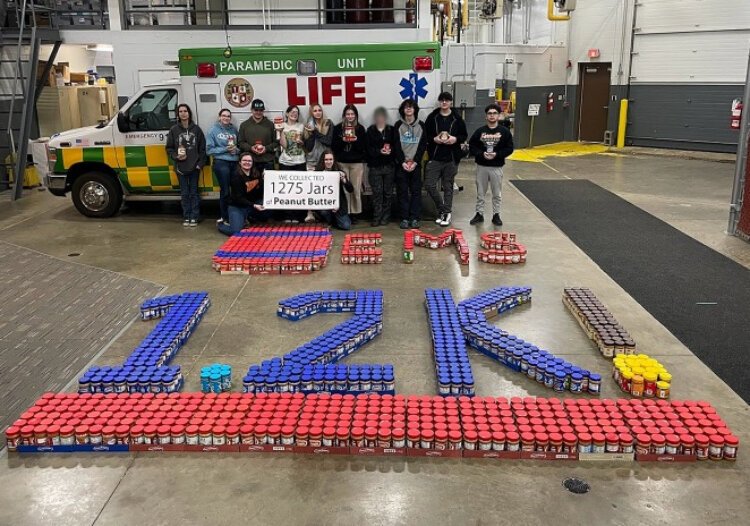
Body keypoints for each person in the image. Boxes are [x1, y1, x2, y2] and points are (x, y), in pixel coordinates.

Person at [423, 91, 467, 227]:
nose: (444, 102)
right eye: (442, 100)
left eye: (447, 100)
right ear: (439, 102)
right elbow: (426, 135)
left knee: (448, 186)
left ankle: (446, 213)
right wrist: (434, 139)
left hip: (451, 158)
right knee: (429, 185)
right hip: (435, 157)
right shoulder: (432, 118)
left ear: (451, 102)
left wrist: (455, 139)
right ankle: (443, 209)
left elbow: (463, 135)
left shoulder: (457, 118)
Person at [468, 103, 514, 226]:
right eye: (489, 113)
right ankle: (479, 214)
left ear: (499, 116)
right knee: (480, 192)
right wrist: (481, 154)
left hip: (496, 167)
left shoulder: (505, 132)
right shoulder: (480, 131)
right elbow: (472, 146)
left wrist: (497, 154)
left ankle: (496, 215)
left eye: (494, 113)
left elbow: (510, 148)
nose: (492, 116)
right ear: (486, 116)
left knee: (497, 193)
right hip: (482, 166)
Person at [165, 103, 206, 227]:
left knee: (194, 192)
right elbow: (169, 148)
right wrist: (176, 157)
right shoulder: (174, 130)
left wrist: (200, 165)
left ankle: (194, 216)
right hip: (180, 167)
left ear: (189, 113)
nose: (183, 113)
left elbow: (202, 149)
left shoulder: (197, 129)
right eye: (181, 111)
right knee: (184, 193)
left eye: (185, 111)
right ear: (178, 114)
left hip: (194, 167)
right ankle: (186, 216)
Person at [217, 152, 272, 236]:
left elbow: (261, 192)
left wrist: (264, 180)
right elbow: (238, 198)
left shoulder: (256, 174)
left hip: (250, 206)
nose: (247, 162)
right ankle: (221, 225)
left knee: (267, 209)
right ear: (240, 162)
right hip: (237, 207)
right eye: (244, 160)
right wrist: (253, 205)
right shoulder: (235, 176)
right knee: (235, 231)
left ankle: (247, 219)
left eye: (249, 161)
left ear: (252, 163)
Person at [393, 99, 427, 229]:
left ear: (415, 110)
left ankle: (415, 218)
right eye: (406, 107)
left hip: (415, 166)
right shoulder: (398, 125)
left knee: (416, 192)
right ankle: (404, 218)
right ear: (403, 110)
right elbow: (396, 145)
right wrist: (402, 162)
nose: (408, 109)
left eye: (411, 107)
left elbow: (423, 145)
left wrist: (416, 162)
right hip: (402, 165)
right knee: (402, 192)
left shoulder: (421, 126)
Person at [331, 104, 367, 222]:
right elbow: (334, 147)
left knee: (356, 189)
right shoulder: (337, 129)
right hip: (342, 162)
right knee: (345, 188)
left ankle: (356, 213)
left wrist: (355, 141)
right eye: (348, 114)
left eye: (352, 114)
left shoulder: (360, 129)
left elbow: (363, 148)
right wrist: (343, 141)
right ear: (344, 116)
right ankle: (346, 211)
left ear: (355, 115)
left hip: (357, 163)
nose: (350, 116)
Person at [206, 108, 239, 226]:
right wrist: (225, 149)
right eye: (224, 116)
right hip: (221, 163)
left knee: (236, 191)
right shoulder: (213, 131)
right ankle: (224, 217)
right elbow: (209, 150)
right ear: (219, 117)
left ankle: (236, 216)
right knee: (225, 191)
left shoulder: (234, 130)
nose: (226, 118)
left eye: (228, 116)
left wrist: (236, 150)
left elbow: (238, 146)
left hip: (234, 162)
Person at [366, 107, 397, 226]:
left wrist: (391, 151)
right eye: (378, 116)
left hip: (389, 166)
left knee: (388, 193)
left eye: (382, 116)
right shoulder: (370, 130)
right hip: (375, 167)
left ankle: (386, 217)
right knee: (377, 193)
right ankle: (376, 217)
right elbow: (368, 149)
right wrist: (379, 151)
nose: (380, 118)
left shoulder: (391, 130)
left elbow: (396, 146)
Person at [314, 149, 354, 230]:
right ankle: (328, 220)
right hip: (324, 204)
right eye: (326, 159)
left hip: (339, 206)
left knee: (346, 226)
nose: (328, 162)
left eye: (330, 159)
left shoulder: (339, 172)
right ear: (323, 160)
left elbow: (350, 189)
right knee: (323, 212)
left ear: (334, 160)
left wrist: (344, 180)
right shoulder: (318, 173)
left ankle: (334, 220)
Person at [238, 99, 278, 172]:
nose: (258, 112)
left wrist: (265, 148)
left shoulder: (270, 125)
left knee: (267, 183)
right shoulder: (244, 125)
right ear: (251, 110)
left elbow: (276, 143)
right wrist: (251, 148)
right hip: (250, 162)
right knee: (253, 183)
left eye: (261, 110)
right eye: (256, 110)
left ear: (263, 111)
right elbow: (240, 143)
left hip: (268, 161)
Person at [303, 104, 333, 170]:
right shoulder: (307, 125)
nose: (318, 112)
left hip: (326, 161)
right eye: (315, 111)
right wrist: (311, 133)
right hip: (311, 161)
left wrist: (315, 132)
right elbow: (308, 147)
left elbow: (328, 142)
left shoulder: (328, 123)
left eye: (320, 110)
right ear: (311, 113)